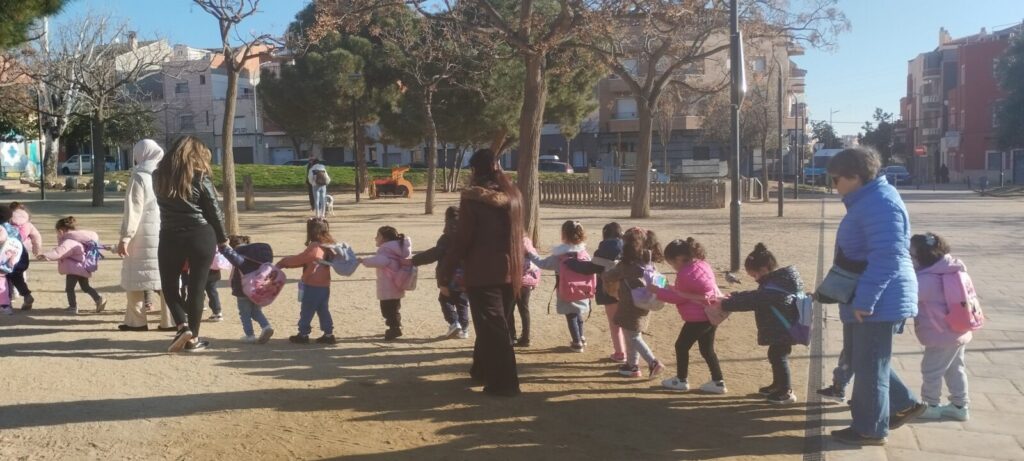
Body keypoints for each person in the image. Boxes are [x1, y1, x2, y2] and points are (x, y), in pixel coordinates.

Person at [826, 147, 926, 445]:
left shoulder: (880, 204)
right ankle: (904, 403)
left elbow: (887, 258)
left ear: (855, 177)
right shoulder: (868, 200)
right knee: (864, 360)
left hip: (878, 300)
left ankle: (869, 429)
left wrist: (865, 301)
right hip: (869, 295)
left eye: (836, 179)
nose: (834, 186)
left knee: (870, 366)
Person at [438, 148, 523, 397]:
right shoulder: (514, 195)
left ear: (475, 170)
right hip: (512, 270)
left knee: (493, 329)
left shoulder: (473, 199)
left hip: (483, 272)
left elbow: (463, 239)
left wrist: (446, 270)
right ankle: (481, 369)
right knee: (494, 325)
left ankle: (504, 384)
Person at [154, 135, 228, 353]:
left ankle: (182, 325)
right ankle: (193, 338)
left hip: (170, 234)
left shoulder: (158, 176)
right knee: (197, 287)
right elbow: (214, 211)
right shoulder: (201, 177)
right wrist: (223, 238)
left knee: (169, 285)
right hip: (200, 234)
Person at [715, 243, 803, 404]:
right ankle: (778, 385)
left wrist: (727, 303)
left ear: (763, 270)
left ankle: (786, 391)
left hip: (783, 328)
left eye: (754, 275)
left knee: (779, 357)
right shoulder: (779, 282)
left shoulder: (774, 288)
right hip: (784, 326)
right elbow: (756, 295)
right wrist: (735, 295)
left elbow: (754, 300)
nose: (755, 279)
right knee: (776, 355)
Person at [911, 232, 972, 422]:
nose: (909, 259)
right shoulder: (953, 270)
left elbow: (909, 297)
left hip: (940, 334)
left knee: (931, 370)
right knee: (955, 368)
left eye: (911, 255)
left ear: (922, 258)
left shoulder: (926, 280)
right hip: (959, 329)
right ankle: (960, 405)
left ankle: (931, 405)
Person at [116, 139, 175, 332]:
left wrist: (125, 237)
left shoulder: (139, 176)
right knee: (167, 278)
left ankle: (136, 321)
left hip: (142, 235)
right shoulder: (169, 174)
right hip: (166, 232)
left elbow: (133, 210)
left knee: (135, 279)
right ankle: (170, 321)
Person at [655, 238, 726, 394]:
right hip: (710, 315)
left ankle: (681, 379)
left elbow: (679, 297)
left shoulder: (685, 274)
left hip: (697, 318)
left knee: (681, 346)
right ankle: (718, 381)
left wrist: (657, 291)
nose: (673, 267)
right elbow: (685, 292)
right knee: (707, 350)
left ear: (678, 259)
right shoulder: (702, 265)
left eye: (672, 263)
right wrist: (666, 285)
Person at [602, 227, 666, 379]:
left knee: (633, 337)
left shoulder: (625, 266)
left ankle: (653, 362)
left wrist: (604, 272)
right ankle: (632, 366)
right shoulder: (649, 263)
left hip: (629, 307)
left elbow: (608, 276)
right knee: (632, 335)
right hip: (644, 305)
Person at [528, 220, 594, 352]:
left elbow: (542, 263)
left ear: (563, 234)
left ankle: (577, 343)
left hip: (566, 290)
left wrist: (530, 253)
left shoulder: (560, 256)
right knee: (578, 313)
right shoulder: (584, 254)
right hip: (583, 291)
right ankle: (581, 337)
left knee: (571, 316)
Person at [411, 206, 470, 339]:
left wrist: (414, 260)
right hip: (466, 276)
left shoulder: (446, 238)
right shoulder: (468, 236)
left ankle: (454, 322)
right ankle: (464, 328)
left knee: (445, 299)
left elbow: (434, 254)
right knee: (462, 302)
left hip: (449, 276)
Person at [277, 218, 337, 345]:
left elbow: (301, 259)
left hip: (312, 284)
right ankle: (328, 334)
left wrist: (283, 262)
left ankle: (303, 334)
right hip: (324, 284)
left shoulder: (315, 246)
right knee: (323, 310)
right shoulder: (327, 246)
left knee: (307, 310)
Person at [38, 217, 107, 315]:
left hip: (73, 269)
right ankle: (99, 299)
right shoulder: (78, 239)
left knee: (69, 288)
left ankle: (73, 307)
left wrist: (45, 255)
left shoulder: (69, 242)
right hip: (82, 268)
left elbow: (59, 252)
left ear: (61, 230)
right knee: (85, 287)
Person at [219, 235, 275, 344]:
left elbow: (230, 256)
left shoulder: (241, 259)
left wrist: (223, 246)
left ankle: (250, 335)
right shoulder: (258, 257)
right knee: (256, 311)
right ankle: (266, 326)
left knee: (244, 314)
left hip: (243, 291)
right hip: (258, 290)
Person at [360, 226, 413, 340]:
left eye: (378, 236)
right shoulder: (396, 249)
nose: (375, 238)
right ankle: (396, 326)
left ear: (384, 238)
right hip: (397, 285)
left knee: (388, 310)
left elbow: (381, 261)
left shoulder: (386, 250)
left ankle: (394, 329)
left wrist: (364, 260)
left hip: (388, 287)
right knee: (394, 308)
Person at [508, 237, 540, 347]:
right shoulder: (530, 249)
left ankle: (511, 336)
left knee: (509, 310)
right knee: (524, 310)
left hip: (512, 283)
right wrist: (534, 282)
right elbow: (536, 267)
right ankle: (526, 337)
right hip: (526, 283)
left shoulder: (511, 245)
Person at [8, 202, 40, 310]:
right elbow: (37, 237)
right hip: (22, 252)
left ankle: (7, 302)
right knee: (18, 275)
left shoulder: (6, 224)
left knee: (5, 277)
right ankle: (26, 295)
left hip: (7, 253)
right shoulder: (28, 224)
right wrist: (36, 249)